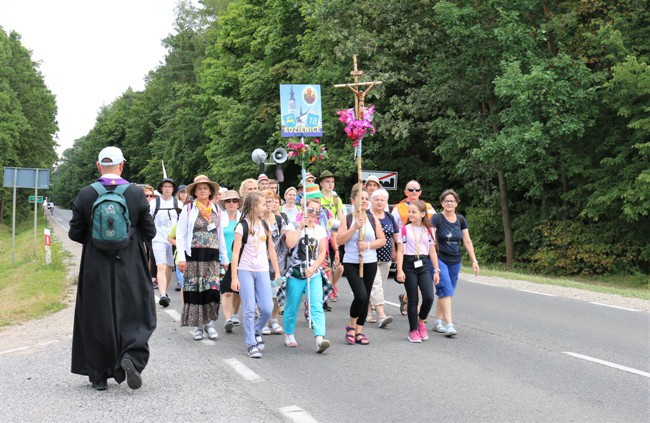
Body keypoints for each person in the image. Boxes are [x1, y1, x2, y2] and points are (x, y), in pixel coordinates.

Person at [68, 146, 156, 391]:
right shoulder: (136, 194)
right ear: (122, 165)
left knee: (96, 314)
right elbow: (150, 232)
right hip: (130, 264)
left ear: (98, 166)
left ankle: (98, 375)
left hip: (95, 265)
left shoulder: (86, 194)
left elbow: (75, 232)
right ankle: (131, 356)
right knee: (137, 311)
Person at [175, 175, 228, 341]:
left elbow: (220, 235)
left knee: (211, 290)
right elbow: (181, 234)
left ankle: (210, 323)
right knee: (196, 290)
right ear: (195, 192)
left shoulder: (217, 209)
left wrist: (225, 258)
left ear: (210, 191)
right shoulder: (189, 209)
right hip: (194, 257)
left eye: (205, 188)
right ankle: (198, 326)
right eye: (199, 188)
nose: (203, 191)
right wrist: (181, 257)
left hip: (212, 257)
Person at [230, 192, 282, 359]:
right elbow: (235, 253)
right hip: (245, 270)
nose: (265, 207)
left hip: (262, 271)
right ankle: (251, 343)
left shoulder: (265, 225)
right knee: (250, 308)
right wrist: (234, 277)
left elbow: (271, 249)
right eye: (262, 204)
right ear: (253, 206)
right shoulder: (241, 227)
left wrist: (277, 272)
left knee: (267, 308)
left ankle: (257, 330)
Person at [337, 184, 386, 345]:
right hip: (352, 262)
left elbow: (382, 240)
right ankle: (351, 326)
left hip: (370, 262)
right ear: (353, 200)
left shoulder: (372, 218)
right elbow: (339, 240)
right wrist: (354, 228)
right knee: (361, 296)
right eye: (361, 199)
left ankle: (359, 330)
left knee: (366, 299)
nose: (364, 201)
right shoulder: (348, 218)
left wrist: (368, 245)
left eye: (366, 199)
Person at [282, 197, 331, 353]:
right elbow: (290, 243)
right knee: (292, 305)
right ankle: (289, 333)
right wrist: (299, 228)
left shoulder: (320, 229)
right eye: (310, 210)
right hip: (296, 271)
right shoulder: (292, 225)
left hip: (313, 272)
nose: (313, 213)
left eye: (317, 211)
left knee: (316, 305)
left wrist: (314, 267)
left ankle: (319, 338)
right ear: (303, 209)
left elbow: (322, 251)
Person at [431, 189, 480, 337]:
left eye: (452, 201)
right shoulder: (436, 218)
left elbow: (467, 240)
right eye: (446, 201)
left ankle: (437, 321)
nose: (449, 203)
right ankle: (449, 325)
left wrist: (474, 260)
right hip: (440, 259)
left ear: (457, 203)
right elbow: (431, 240)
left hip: (455, 260)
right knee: (446, 290)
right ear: (442, 203)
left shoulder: (460, 220)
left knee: (446, 291)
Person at [396, 200, 441, 343]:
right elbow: (400, 251)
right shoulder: (404, 230)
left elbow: (432, 252)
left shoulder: (430, 230)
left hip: (424, 264)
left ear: (423, 214)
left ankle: (421, 321)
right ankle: (413, 330)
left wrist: (436, 270)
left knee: (429, 297)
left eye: (414, 212)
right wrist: (399, 271)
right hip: (409, 264)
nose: (410, 214)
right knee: (413, 299)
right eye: (409, 211)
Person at [391, 180, 436, 316]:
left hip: (422, 251)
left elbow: (433, 225)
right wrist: (394, 249)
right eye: (411, 190)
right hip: (406, 249)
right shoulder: (398, 208)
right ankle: (415, 311)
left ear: (421, 192)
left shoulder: (427, 207)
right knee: (413, 284)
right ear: (405, 192)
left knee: (422, 284)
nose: (414, 192)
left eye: (417, 190)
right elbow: (393, 230)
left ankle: (405, 298)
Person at [366, 188, 397, 328]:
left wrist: (395, 251)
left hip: (386, 256)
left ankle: (367, 311)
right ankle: (382, 315)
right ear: (371, 202)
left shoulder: (389, 217)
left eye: (382, 200)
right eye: (377, 199)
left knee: (377, 286)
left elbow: (394, 236)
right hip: (370, 256)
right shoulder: (366, 215)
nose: (379, 202)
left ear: (386, 202)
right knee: (376, 285)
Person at [260, 189, 287, 336]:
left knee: (277, 291)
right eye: (265, 201)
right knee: (263, 292)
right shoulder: (257, 219)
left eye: (271, 201)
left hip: (278, 261)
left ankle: (274, 319)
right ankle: (263, 321)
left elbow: (284, 240)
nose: (268, 204)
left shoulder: (279, 219)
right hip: (260, 260)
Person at [150, 177, 181, 307]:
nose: (167, 189)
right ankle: (162, 294)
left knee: (169, 266)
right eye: (165, 186)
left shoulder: (178, 204)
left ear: (173, 189)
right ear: (161, 188)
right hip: (158, 239)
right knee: (161, 266)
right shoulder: (153, 204)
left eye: (170, 186)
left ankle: (164, 291)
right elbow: (147, 221)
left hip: (173, 240)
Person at [316, 170, 345, 300]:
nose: (330, 184)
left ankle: (331, 286)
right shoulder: (317, 198)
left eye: (332, 182)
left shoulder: (336, 199)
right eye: (327, 182)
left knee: (336, 265)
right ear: (321, 183)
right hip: (320, 234)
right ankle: (325, 289)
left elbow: (340, 217)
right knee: (324, 265)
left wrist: (339, 232)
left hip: (332, 233)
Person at [218, 190, 242, 333]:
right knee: (226, 291)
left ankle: (234, 313)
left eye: (234, 201)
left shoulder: (244, 219)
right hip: (224, 259)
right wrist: (222, 258)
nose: (231, 203)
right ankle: (228, 318)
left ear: (238, 203)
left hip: (241, 260)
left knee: (237, 291)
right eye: (228, 201)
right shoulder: (220, 218)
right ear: (224, 204)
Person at [172, 184, 189, 291]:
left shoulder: (190, 204)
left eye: (185, 192)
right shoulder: (176, 204)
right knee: (178, 256)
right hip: (176, 230)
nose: (183, 194)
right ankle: (180, 280)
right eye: (181, 192)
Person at [141, 185, 158, 288]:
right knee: (145, 256)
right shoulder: (140, 207)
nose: (149, 198)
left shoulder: (156, 205)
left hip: (154, 234)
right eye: (146, 196)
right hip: (143, 235)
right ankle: (146, 277)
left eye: (151, 196)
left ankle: (153, 277)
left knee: (154, 255)